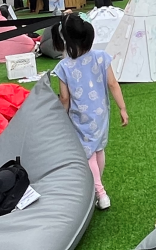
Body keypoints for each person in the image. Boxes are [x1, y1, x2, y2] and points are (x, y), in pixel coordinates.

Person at [53, 13, 129, 211]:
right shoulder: (101, 57)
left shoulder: (63, 67)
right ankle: (97, 185)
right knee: (97, 149)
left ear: (67, 39)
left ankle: (100, 192)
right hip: (101, 113)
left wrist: (61, 116)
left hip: (80, 118)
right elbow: (113, 83)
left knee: (88, 154)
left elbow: (64, 98)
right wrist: (122, 108)